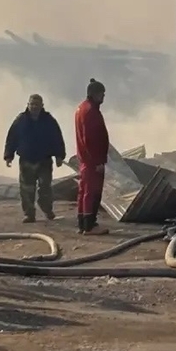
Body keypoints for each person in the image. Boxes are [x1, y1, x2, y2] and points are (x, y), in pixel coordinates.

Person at [4, 93, 66, 223]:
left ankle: (47, 209)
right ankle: (29, 214)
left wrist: (59, 156)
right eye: (32, 104)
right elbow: (12, 138)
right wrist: (9, 155)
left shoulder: (49, 121)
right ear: (28, 105)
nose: (34, 107)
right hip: (26, 160)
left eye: (37, 104)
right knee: (27, 189)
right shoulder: (20, 120)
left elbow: (57, 138)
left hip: (44, 160)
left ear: (42, 106)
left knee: (45, 187)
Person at [74, 78, 110, 236]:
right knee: (92, 192)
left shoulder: (81, 108)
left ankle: (83, 223)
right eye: (102, 94)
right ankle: (89, 225)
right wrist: (98, 161)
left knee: (84, 192)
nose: (103, 97)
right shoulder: (91, 112)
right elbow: (91, 139)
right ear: (95, 94)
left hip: (85, 160)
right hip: (92, 161)